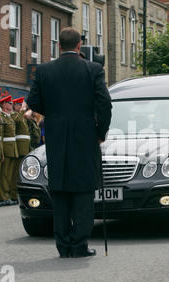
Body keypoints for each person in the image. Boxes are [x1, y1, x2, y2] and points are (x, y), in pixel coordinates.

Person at [26, 27, 112, 258]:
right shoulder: (93, 69)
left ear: (58, 46)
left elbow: (33, 101)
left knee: (61, 191)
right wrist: (100, 132)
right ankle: (79, 245)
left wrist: (55, 115)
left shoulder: (44, 70)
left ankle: (63, 245)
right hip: (85, 136)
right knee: (83, 192)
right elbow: (105, 104)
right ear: (79, 45)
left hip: (56, 136)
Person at [0, 95, 18, 206]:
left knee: (9, 174)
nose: (12, 105)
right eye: (10, 103)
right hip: (5, 147)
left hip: (12, 148)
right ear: (4, 105)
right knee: (4, 174)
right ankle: (3, 195)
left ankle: (8, 194)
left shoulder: (9, 118)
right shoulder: (3, 118)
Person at [9, 97, 30, 203]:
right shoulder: (14, 115)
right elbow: (17, 121)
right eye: (20, 105)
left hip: (25, 148)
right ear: (15, 106)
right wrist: (22, 110)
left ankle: (16, 193)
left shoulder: (22, 116)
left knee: (22, 173)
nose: (22, 108)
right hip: (19, 147)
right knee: (15, 173)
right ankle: (13, 193)